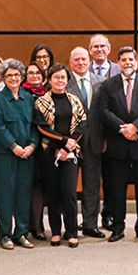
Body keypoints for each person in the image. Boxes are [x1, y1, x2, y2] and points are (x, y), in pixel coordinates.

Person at [100, 46, 138, 242]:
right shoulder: (109, 85)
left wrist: (135, 127)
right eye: (124, 59)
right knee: (117, 190)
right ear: (118, 63)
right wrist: (123, 128)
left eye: (131, 60)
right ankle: (118, 228)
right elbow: (104, 111)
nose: (127, 63)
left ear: (137, 62)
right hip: (118, 145)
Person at [35, 64, 88, 247]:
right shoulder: (41, 102)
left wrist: (68, 146)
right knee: (53, 194)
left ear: (67, 80)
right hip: (49, 152)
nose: (60, 81)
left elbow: (82, 124)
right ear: (49, 80)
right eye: (56, 77)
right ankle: (56, 232)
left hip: (71, 154)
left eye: (63, 78)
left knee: (69, 193)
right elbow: (42, 127)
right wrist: (63, 142)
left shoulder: (74, 100)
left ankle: (72, 232)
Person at [0, 59, 38, 250]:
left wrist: (32, 146)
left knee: (24, 194)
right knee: (5, 194)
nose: (13, 78)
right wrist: (14, 146)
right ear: (3, 78)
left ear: (22, 77)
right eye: (9, 75)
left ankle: (22, 233)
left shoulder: (29, 99)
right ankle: (6, 234)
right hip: (5, 154)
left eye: (17, 75)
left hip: (27, 154)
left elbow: (35, 126)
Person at [68, 47, 106, 238]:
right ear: (71, 63)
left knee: (92, 185)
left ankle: (91, 224)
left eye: (84, 59)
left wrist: (105, 138)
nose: (81, 62)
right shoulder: (64, 82)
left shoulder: (101, 82)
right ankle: (71, 225)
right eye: (77, 60)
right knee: (69, 186)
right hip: (72, 143)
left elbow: (105, 113)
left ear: (88, 60)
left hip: (95, 142)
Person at [23, 62, 48, 239]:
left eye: (37, 73)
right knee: (26, 187)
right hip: (26, 146)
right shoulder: (21, 94)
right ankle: (25, 225)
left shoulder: (49, 94)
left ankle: (38, 225)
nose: (34, 76)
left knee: (40, 187)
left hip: (45, 147)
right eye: (30, 73)